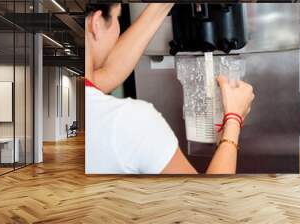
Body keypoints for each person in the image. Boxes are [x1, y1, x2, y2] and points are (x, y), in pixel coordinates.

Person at [85, 3, 255, 174]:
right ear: (96, 23)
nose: (117, 28)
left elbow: (109, 72)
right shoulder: (129, 122)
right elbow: (210, 197)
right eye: (117, 18)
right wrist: (233, 120)